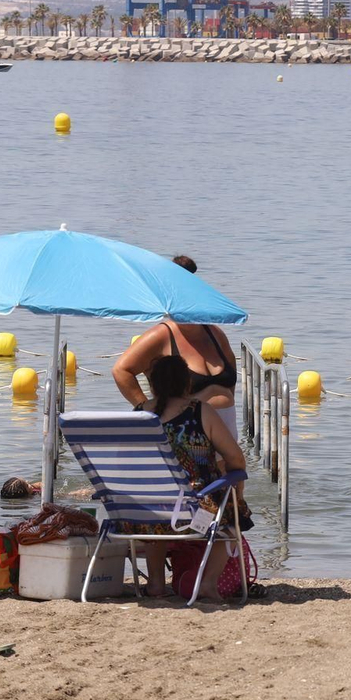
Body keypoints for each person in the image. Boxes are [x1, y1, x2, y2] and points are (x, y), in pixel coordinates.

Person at [133, 354, 250, 599]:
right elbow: (236, 459)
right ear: (187, 384)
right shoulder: (199, 411)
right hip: (196, 509)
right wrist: (234, 484)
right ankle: (207, 583)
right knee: (231, 520)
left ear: (153, 386)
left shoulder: (139, 414)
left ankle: (155, 584)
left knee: (158, 512)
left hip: (144, 512)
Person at [112, 254, 238, 434]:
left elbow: (230, 380)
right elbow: (121, 371)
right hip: (187, 436)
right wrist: (149, 413)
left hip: (226, 432)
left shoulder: (215, 333)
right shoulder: (161, 335)